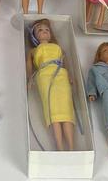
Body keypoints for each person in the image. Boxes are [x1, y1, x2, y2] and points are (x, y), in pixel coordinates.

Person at [26, 18, 75, 150]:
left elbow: (65, 62)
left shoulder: (58, 47)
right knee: (52, 110)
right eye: (40, 30)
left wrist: (69, 74)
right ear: (33, 36)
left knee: (66, 109)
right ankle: (59, 146)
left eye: (47, 30)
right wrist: (29, 79)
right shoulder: (33, 50)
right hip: (44, 77)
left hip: (61, 75)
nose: (44, 32)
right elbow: (29, 66)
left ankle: (71, 147)